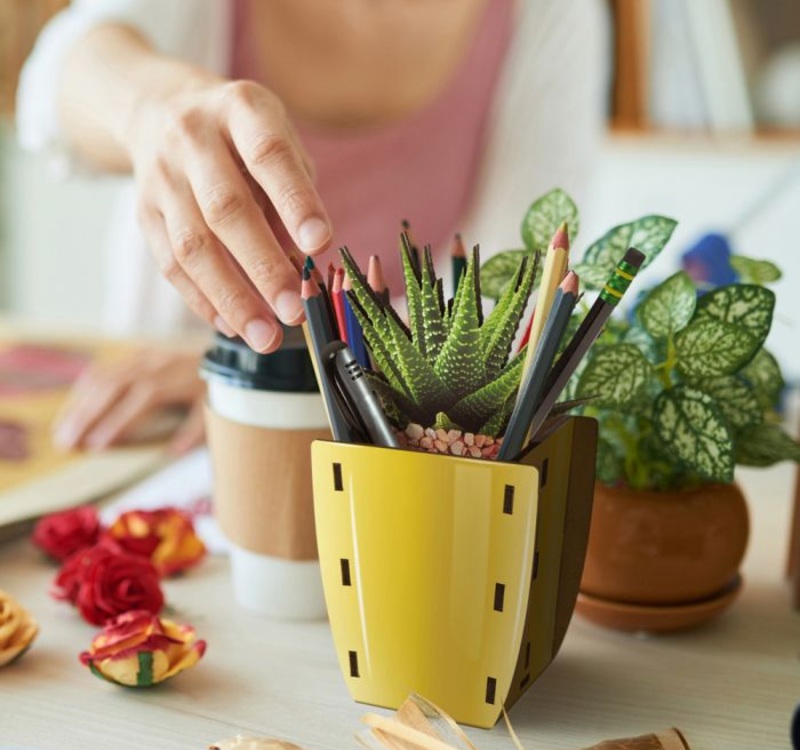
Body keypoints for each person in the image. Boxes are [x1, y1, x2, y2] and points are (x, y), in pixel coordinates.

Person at [17, 0, 610, 453]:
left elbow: (508, 296)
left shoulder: (552, 15)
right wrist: (152, 110)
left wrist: (284, 375)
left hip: (392, 448)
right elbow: (58, 77)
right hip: (166, 436)